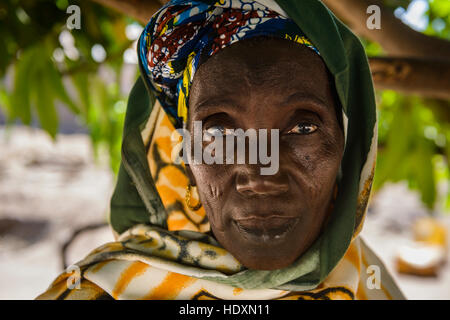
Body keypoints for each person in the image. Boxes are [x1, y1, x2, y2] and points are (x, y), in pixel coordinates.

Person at [37, 0, 405, 300]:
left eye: (302, 128)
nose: (260, 177)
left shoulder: (366, 280)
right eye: (218, 131)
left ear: (348, 147)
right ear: (183, 155)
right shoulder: (101, 292)